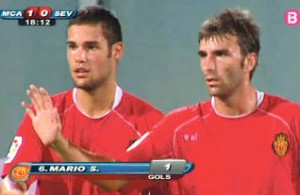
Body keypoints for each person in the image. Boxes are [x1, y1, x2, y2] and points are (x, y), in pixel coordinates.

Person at [4, 8, 300, 195]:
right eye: (203, 56)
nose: (208, 67)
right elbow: (117, 177)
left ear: (249, 61)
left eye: (220, 55)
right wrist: (57, 144)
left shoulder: (290, 119)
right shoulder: (176, 128)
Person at [0, 5, 165, 195]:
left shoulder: (150, 124)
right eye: (73, 47)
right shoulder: (44, 115)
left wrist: (59, 143)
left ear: (117, 51)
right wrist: (13, 189)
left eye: (91, 47)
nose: (79, 57)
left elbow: (119, 179)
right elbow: (13, 179)